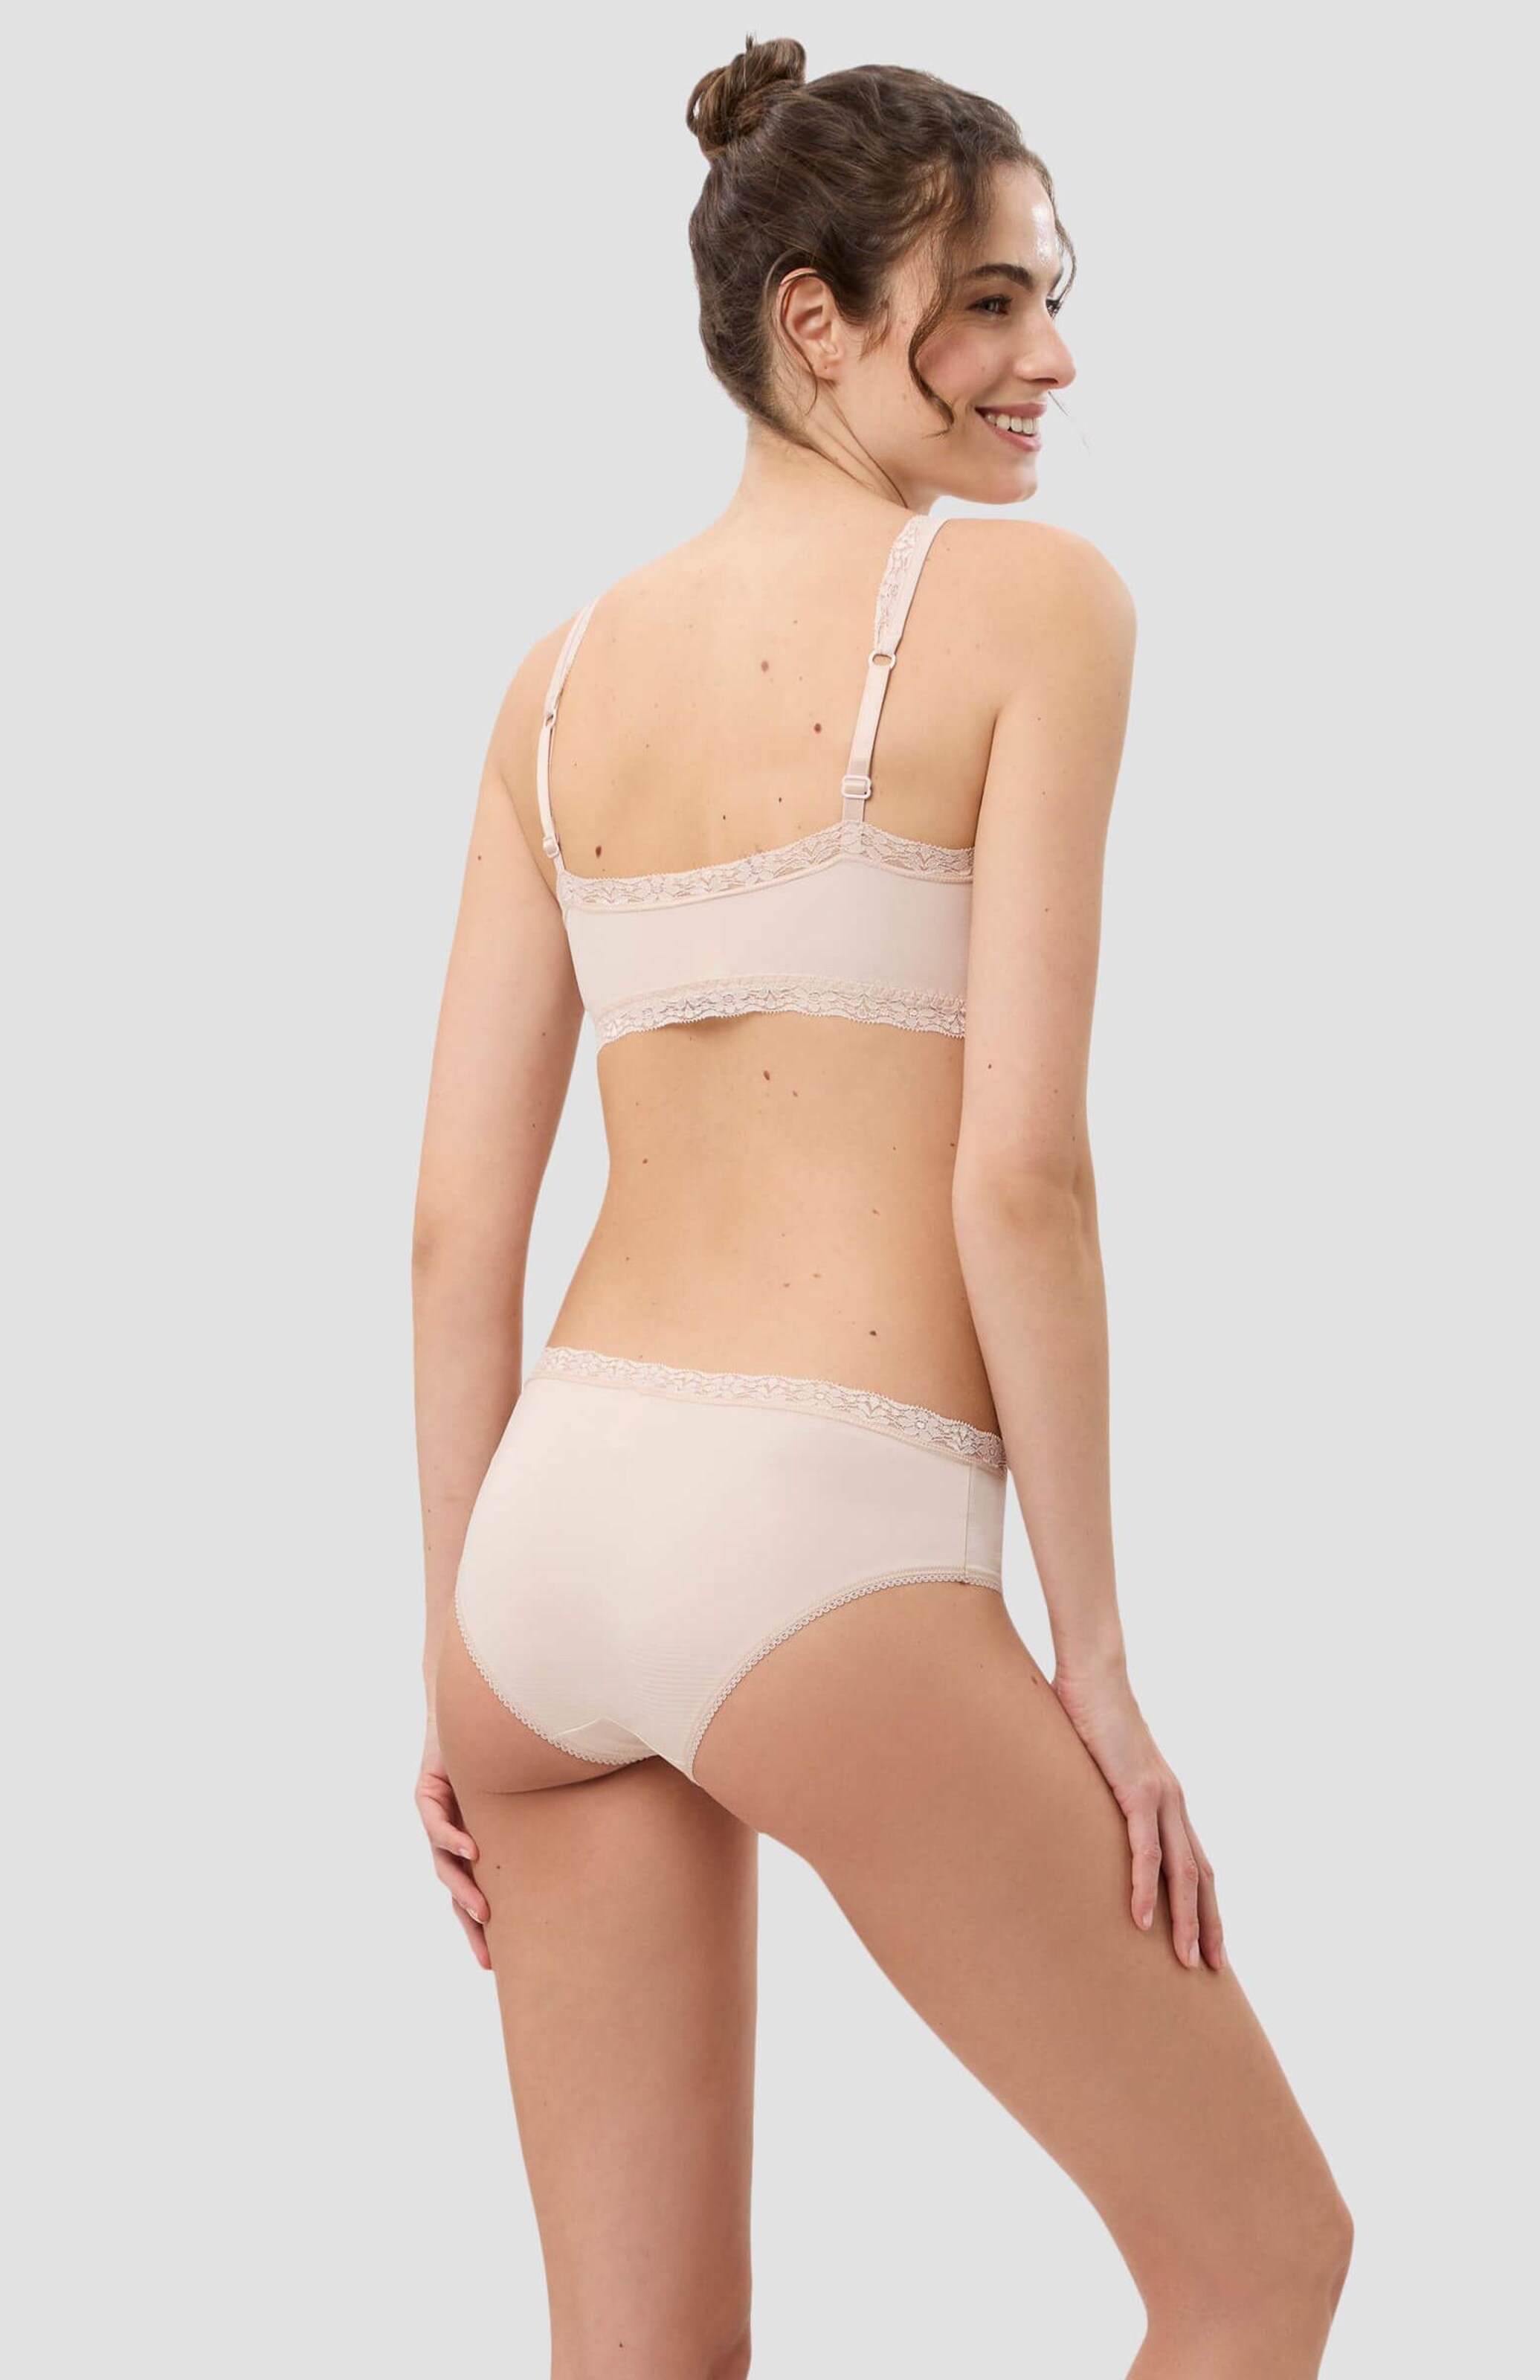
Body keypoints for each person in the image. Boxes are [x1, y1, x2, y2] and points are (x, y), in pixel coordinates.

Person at [410, 37, 1351, 2379]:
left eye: (1053, 299)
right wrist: (1097, 1667)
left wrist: (455, 1653)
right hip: (813, 1532)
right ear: (815, 323)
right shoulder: (1028, 609)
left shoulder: (554, 686)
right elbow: (1019, 1178)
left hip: (541, 1554)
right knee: (1257, 2265)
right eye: (991, 303)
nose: (1053, 362)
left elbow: (452, 1229)